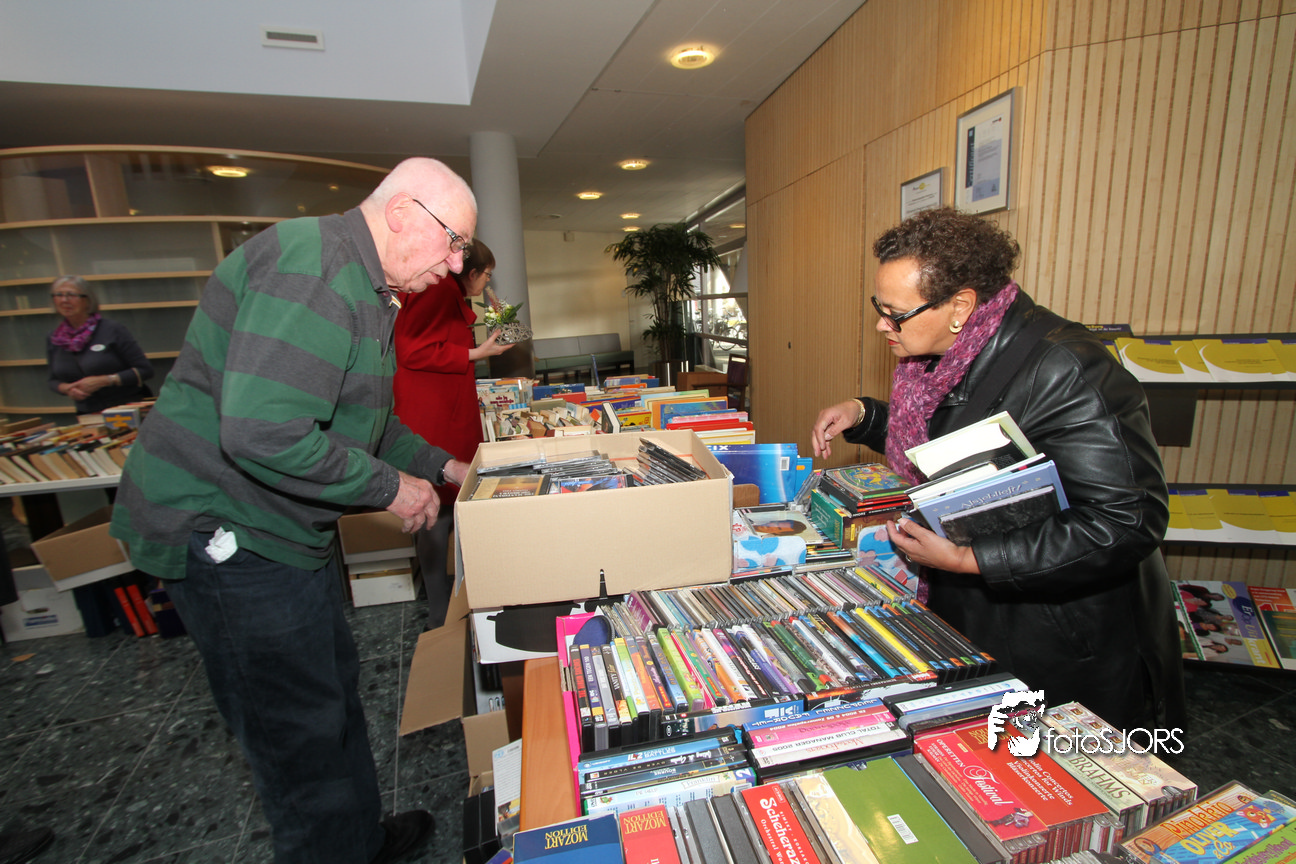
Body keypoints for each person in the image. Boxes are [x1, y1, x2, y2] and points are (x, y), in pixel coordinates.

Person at [110, 157, 478, 864]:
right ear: (403, 213)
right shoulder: (316, 271)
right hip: (229, 533)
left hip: (278, 532)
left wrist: (445, 467)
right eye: (454, 241)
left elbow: (364, 421)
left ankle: (357, 841)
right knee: (297, 737)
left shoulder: (367, 284)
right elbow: (263, 433)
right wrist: (392, 489)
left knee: (330, 694)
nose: (458, 264)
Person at [811, 207, 1183, 732]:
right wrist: (866, 415)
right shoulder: (949, 352)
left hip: (1062, 641)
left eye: (895, 313)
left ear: (961, 305)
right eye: (879, 307)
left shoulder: (1068, 368)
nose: (881, 325)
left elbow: (1126, 521)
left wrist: (970, 559)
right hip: (978, 613)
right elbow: (958, 442)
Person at [393, 239, 512, 628]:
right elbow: (412, 349)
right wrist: (476, 354)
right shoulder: (439, 289)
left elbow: (438, 342)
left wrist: (497, 320)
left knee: (444, 504)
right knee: (439, 506)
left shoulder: (446, 291)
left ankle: (447, 606)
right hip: (435, 411)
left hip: (444, 405)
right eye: (487, 274)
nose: (488, 281)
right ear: (470, 271)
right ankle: (441, 611)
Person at [46, 276, 154, 415]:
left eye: (71, 295)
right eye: (59, 295)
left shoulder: (112, 330)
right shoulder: (55, 338)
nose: (64, 300)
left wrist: (106, 380)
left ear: (88, 300)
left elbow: (145, 370)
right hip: (88, 414)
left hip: (127, 409)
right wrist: (67, 388)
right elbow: (53, 380)